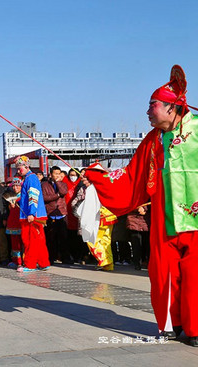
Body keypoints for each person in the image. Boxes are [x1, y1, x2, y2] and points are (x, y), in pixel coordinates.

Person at [84, 65, 198, 345]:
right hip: (163, 218)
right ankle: (171, 324)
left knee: (196, 274)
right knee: (163, 273)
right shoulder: (153, 140)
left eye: (152, 105)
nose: (147, 111)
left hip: (196, 217)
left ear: (172, 107)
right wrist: (99, 176)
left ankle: (196, 328)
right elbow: (132, 176)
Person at [16, 156, 49, 272]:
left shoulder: (31, 178)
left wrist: (31, 213)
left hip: (31, 215)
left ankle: (30, 264)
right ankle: (43, 262)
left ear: (26, 166)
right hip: (32, 213)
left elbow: (33, 196)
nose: (18, 171)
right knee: (38, 240)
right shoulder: (29, 178)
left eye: (20, 168)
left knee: (30, 240)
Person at [42, 166, 70, 264]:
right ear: (51, 174)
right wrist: (57, 196)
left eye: (59, 173)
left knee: (64, 238)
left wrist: (58, 182)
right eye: (56, 174)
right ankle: (51, 258)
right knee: (51, 238)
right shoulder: (45, 185)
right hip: (50, 213)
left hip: (61, 213)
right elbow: (45, 198)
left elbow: (63, 192)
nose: (58, 175)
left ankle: (65, 257)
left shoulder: (63, 184)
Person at [5, 177, 25, 271]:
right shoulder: (11, 196)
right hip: (12, 221)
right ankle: (16, 260)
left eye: (17, 186)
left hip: (21, 221)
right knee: (14, 243)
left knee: (23, 242)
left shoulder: (24, 195)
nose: (15, 188)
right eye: (14, 186)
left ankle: (23, 261)